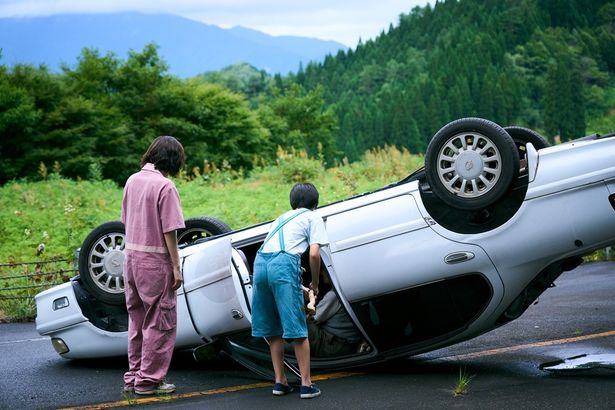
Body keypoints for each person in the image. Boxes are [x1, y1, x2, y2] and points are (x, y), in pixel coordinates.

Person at [251, 182, 329, 399]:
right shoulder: (313, 217)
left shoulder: (280, 218)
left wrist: (301, 288)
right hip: (284, 264)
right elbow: (314, 254)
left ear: (292, 202)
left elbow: (274, 261)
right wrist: (314, 283)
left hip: (260, 265)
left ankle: (280, 382)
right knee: (297, 328)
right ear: (315, 203)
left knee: (273, 328)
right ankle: (306, 385)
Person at [121, 136, 186, 395]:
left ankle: (133, 377)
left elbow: (125, 220)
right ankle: (149, 381)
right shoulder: (165, 186)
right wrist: (176, 266)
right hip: (155, 261)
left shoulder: (132, 180)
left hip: (131, 259)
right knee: (160, 322)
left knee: (136, 322)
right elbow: (170, 230)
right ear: (173, 160)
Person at [307, 268, 364, 358]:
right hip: (349, 345)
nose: (321, 272)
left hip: (334, 346)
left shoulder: (333, 296)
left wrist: (310, 298)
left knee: (302, 323)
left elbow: (312, 318)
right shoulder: (348, 289)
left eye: (324, 269)